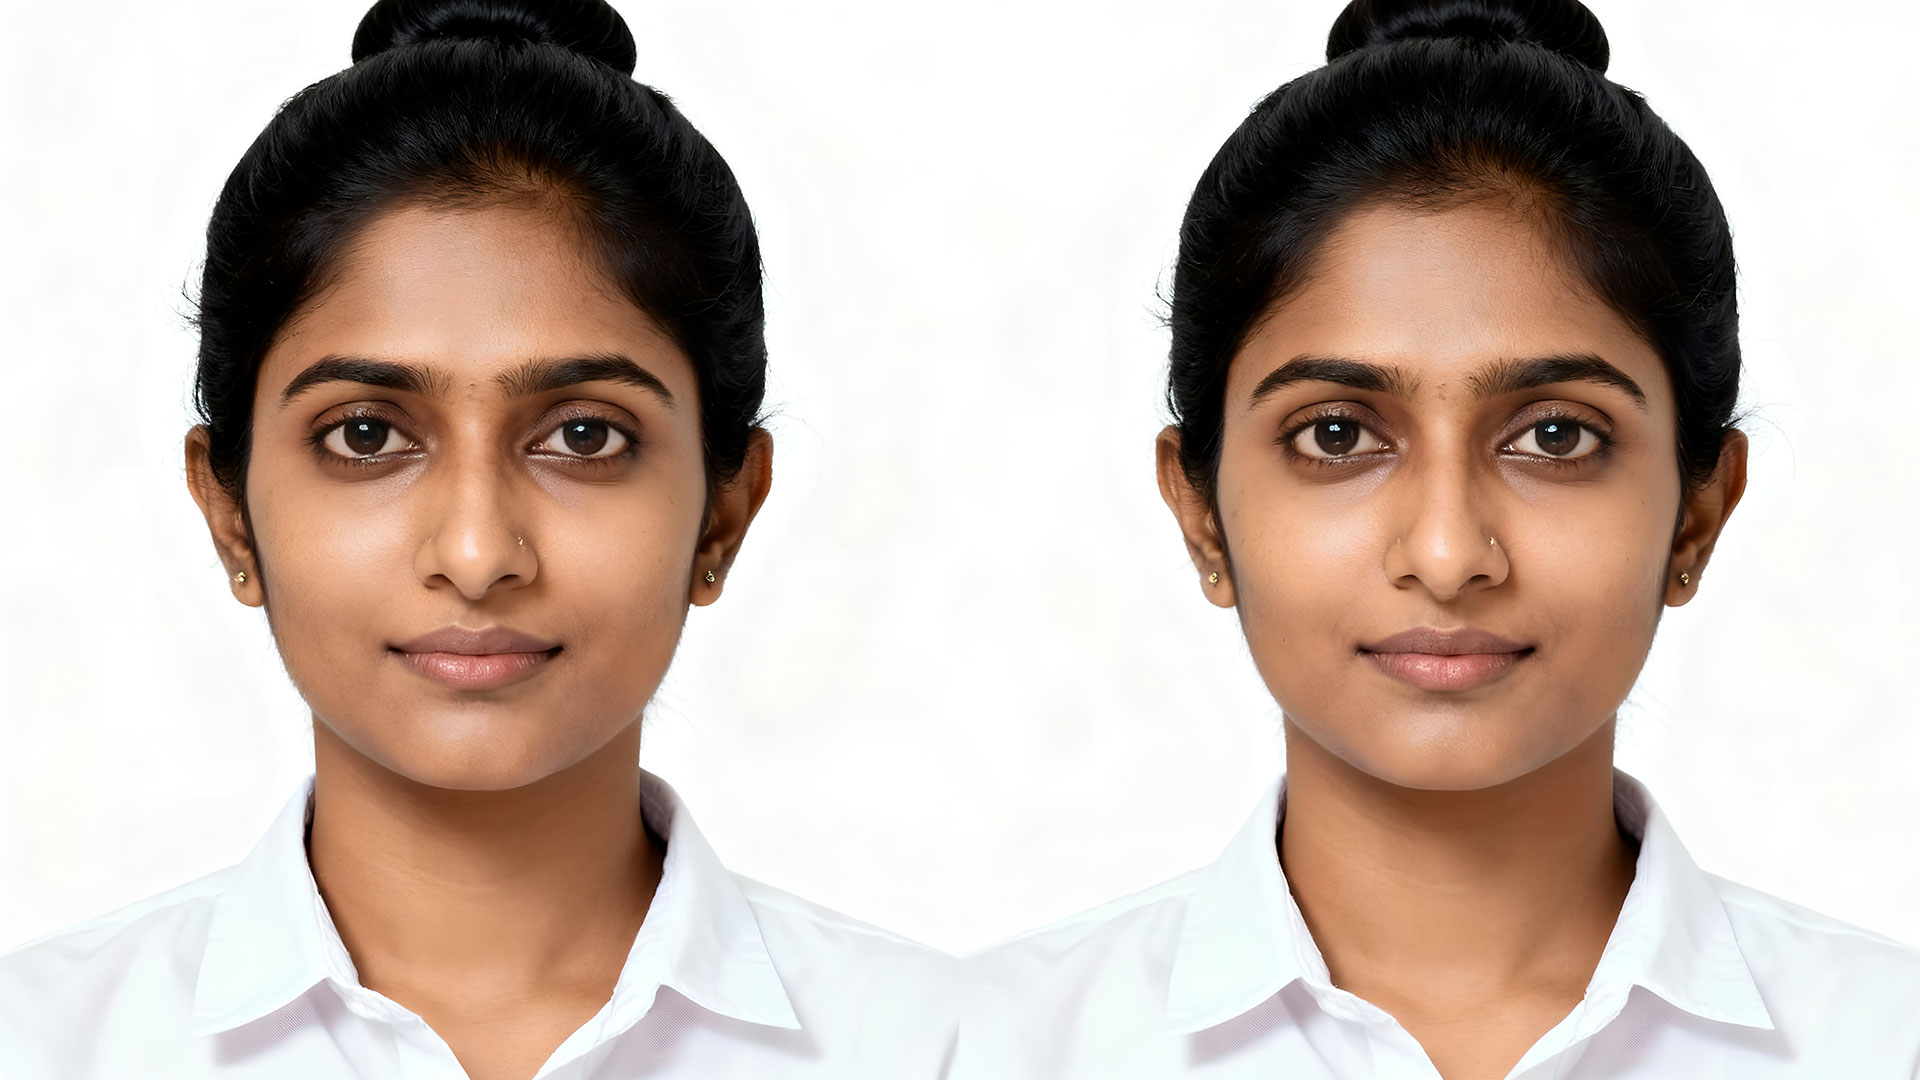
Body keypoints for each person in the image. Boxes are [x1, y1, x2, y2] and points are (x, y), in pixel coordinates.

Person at [951, 1, 1920, 1077]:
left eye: (1555, 436)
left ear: (1699, 510)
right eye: (1337, 434)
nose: (1451, 552)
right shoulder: (985, 1048)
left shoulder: (1883, 1041)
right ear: (1199, 510)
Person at [0, 1, 955, 1077]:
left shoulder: (938, 1044)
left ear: (724, 512)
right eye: (367, 436)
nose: (474, 549)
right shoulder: (36, 1045)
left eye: (583, 436)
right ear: (230, 511)